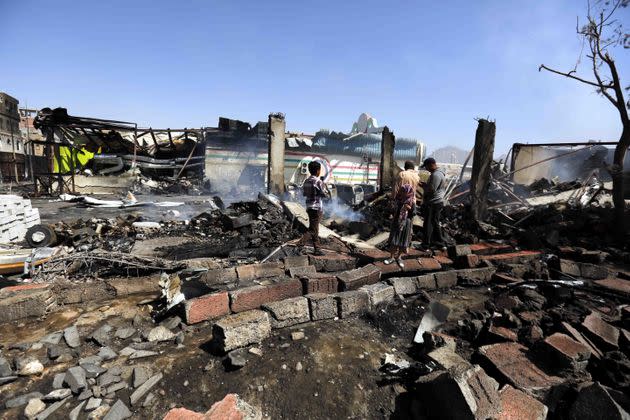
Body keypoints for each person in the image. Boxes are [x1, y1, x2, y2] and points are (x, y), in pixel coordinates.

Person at [299, 160, 329, 256]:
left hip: (309, 207)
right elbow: (325, 195)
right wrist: (325, 188)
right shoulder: (318, 182)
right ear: (317, 171)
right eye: (319, 169)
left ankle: (317, 249)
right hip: (316, 208)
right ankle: (299, 245)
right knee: (313, 230)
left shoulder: (306, 181)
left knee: (314, 228)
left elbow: (304, 194)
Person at [384, 183, 416, 268]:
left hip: (406, 223)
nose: (400, 191)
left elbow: (414, 213)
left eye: (402, 190)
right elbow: (391, 210)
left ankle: (399, 257)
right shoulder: (398, 199)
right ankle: (391, 257)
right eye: (401, 190)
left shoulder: (411, 201)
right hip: (396, 222)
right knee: (394, 240)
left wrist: (409, 208)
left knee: (402, 242)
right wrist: (392, 207)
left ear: (407, 192)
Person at [420, 157, 446, 249]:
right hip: (437, 202)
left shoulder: (435, 175)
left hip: (433, 203)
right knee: (434, 223)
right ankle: (439, 243)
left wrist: (424, 187)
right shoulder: (439, 174)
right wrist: (425, 185)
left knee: (428, 224)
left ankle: (425, 245)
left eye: (426, 167)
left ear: (431, 165)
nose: (426, 169)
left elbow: (431, 190)